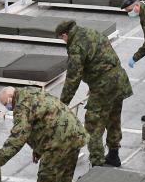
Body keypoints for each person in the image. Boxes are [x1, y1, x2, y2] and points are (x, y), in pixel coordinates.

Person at [0, 86, 87, 182]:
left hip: (58, 141)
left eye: (5, 104)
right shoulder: (31, 91)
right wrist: (37, 149)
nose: (7, 107)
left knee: (46, 178)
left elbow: (17, 138)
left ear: (9, 98)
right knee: (66, 173)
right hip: (76, 134)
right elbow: (40, 122)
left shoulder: (21, 106)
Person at [56, 19, 132, 167]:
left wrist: (62, 104)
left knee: (93, 126)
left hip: (103, 87)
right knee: (114, 119)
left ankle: (97, 165)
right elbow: (106, 57)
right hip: (119, 79)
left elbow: (73, 79)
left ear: (65, 35)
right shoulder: (92, 32)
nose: (63, 41)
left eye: (61, 38)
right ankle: (114, 155)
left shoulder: (76, 45)